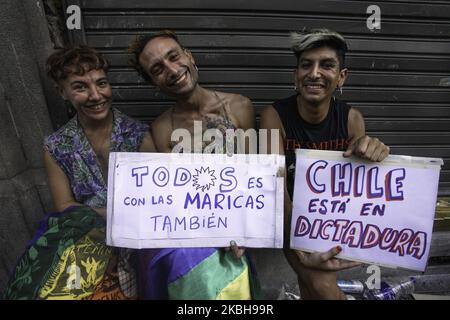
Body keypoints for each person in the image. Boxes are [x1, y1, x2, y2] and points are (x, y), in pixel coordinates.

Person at [3, 46, 155, 300]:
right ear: (62, 92)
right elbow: (65, 206)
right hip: (87, 241)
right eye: (80, 86)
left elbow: (158, 198)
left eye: (101, 84)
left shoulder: (138, 135)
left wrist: (128, 218)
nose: (96, 95)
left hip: (137, 239)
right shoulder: (56, 146)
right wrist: (113, 214)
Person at [128, 30, 261, 299]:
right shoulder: (161, 130)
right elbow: (169, 197)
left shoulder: (238, 107)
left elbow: (254, 177)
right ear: (155, 83)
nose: (172, 70)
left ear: (189, 56)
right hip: (191, 240)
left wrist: (245, 230)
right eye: (158, 69)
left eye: (174, 57)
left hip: (236, 230)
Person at [260, 29, 390, 299]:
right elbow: (276, 187)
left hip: (333, 228)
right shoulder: (275, 116)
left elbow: (359, 188)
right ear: (296, 75)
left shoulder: (351, 118)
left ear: (342, 76)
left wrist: (374, 151)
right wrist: (300, 246)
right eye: (306, 65)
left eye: (327, 65)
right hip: (290, 223)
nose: (314, 73)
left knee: (313, 289)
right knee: (324, 289)